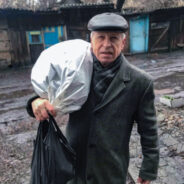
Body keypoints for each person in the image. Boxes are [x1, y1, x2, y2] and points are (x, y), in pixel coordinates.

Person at [27, 13, 159, 184]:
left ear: (123, 43)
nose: (106, 45)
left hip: (110, 172)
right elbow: (46, 93)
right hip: (73, 168)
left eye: (113, 38)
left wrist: (148, 169)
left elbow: (149, 131)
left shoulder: (140, 82)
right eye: (100, 38)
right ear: (91, 40)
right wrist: (35, 101)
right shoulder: (74, 71)